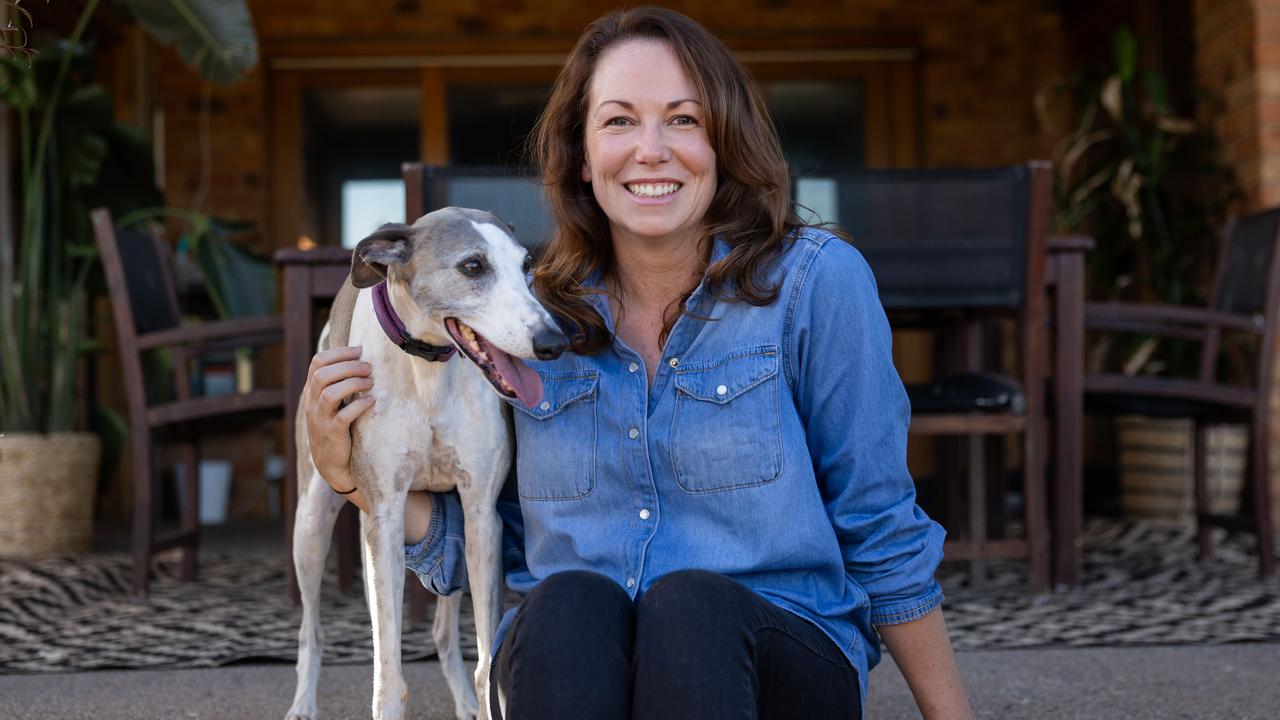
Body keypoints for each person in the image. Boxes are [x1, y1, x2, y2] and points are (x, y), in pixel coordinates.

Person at [303, 6, 973, 719]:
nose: (651, 149)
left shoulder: (815, 284)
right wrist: (348, 475)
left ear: (723, 140)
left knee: (689, 605)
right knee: (565, 602)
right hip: (583, 662)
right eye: (619, 121)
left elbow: (879, 526)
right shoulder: (535, 322)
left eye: (683, 119)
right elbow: (481, 534)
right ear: (583, 157)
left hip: (777, 655)